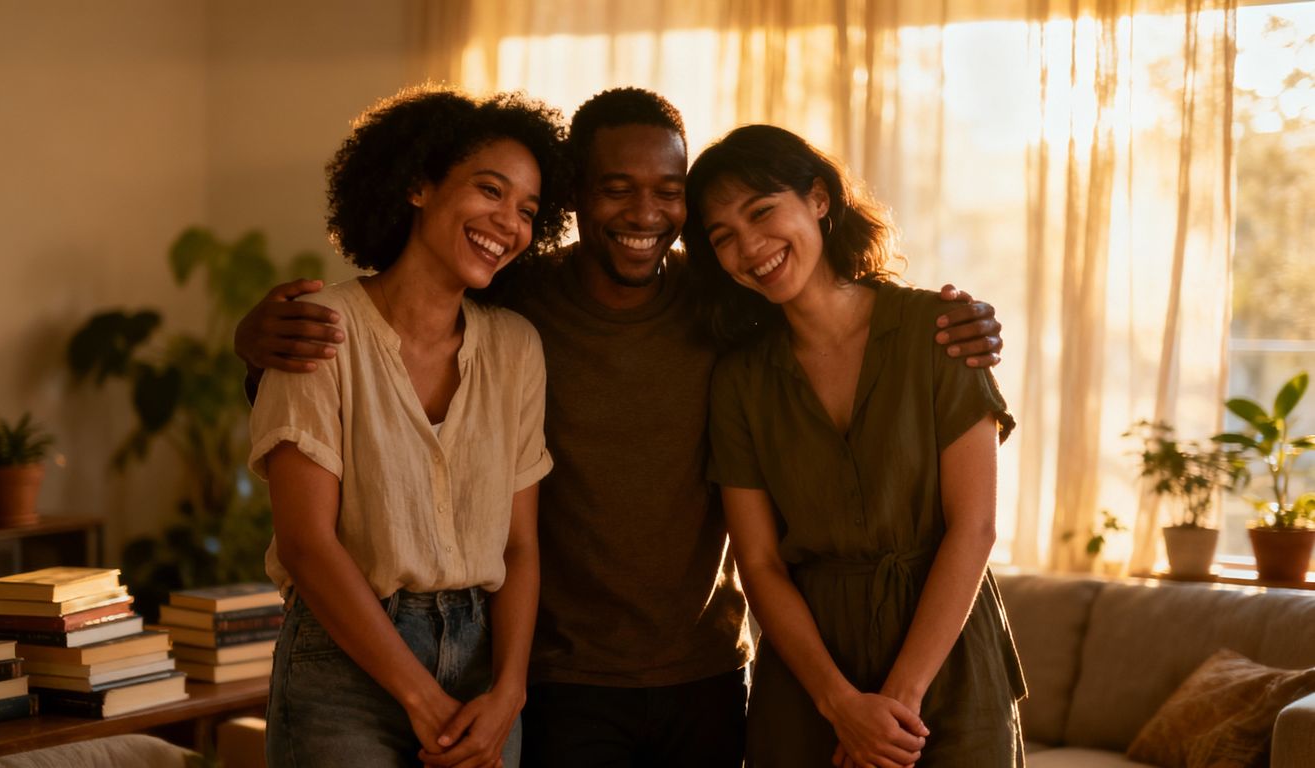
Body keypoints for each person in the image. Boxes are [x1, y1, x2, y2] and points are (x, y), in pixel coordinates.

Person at [236, 88, 1006, 768]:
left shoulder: (722, 306)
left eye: (668, 192)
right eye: (616, 189)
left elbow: (828, 310)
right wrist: (254, 340)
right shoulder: (519, 301)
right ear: (576, 200)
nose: (645, 214)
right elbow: (388, 334)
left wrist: (964, 323)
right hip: (561, 680)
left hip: (703, 672)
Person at [681, 124, 1025, 768]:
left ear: (818, 199)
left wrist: (897, 703)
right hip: (810, 677)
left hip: (948, 664)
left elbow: (974, 528)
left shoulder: (941, 331)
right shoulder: (739, 380)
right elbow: (758, 562)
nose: (750, 247)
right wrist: (840, 704)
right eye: (722, 236)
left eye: (762, 212)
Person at [247, 86, 569, 768]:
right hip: (342, 665)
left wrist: (510, 691)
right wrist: (421, 699)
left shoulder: (516, 348)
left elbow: (519, 547)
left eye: (527, 211)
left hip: (485, 670)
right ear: (419, 184)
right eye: (490, 190)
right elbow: (306, 544)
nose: (508, 223)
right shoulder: (318, 332)